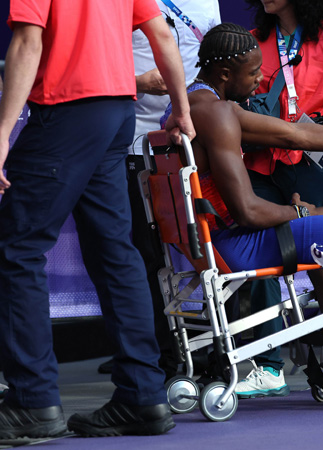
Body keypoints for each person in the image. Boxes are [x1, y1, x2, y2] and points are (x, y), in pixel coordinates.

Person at [165, 22, 323, 400]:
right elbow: (249, 212)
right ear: (224, 74)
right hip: (238, 244)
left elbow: (297, 135)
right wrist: (302, 213)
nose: (260, 79)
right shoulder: (216, 113)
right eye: (253, 72)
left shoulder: (196, 103)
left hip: (216, 241)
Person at [0, 0, 195, 439]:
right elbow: (161, 33)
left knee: (16, 248)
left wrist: (1, 132)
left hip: (68, 113)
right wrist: (181, 110)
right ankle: (143, 395)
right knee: (115, 252)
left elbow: (28, 41)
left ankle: (32, 402)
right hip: (115, 114)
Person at [235, 0, 323, 398]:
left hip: (316, 161)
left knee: (319, 256)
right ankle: (269, 365)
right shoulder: (255, 41)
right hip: (262, 162)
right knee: (259, 247)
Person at [97, 0, 221, 380]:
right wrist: (138, 82)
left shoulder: (206, 2)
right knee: (144, 253)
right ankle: (155, 353)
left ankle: (217, 348)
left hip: (188, 138)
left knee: (207, 246)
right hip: (132, 139)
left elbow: (216, 62)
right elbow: (97, 63)